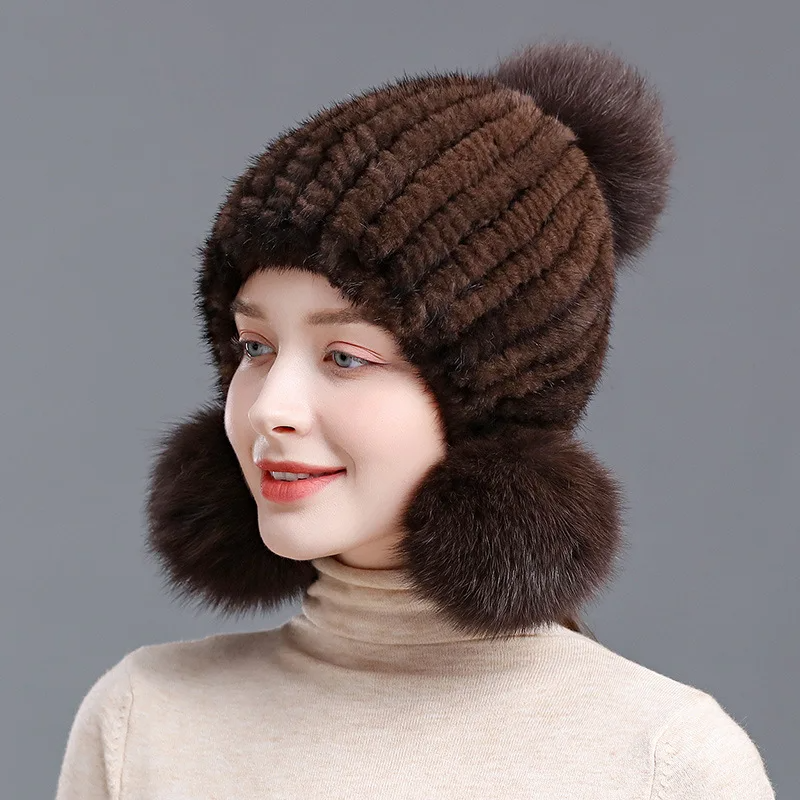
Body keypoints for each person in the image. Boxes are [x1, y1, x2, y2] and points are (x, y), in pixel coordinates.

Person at [55, 39, 776, 798]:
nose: (268, 408)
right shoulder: (143, 720)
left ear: (494, 404)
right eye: (254, 347)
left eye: (345, 357)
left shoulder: (664, 760)